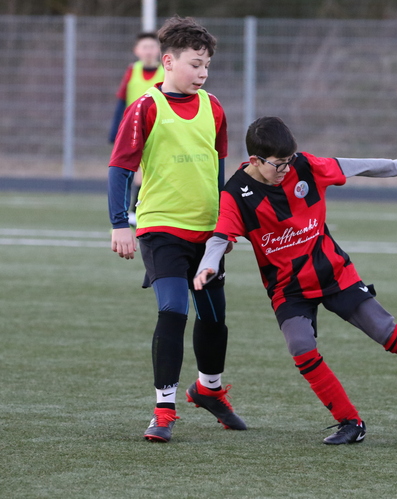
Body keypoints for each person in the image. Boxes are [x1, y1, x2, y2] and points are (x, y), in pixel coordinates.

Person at [193, 116, 397, 445]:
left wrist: (396, 166)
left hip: (332, 272)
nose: (286, 169)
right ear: (254, 161)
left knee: (383, 329)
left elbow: (353, 166)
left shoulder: (304, 166)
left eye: (290, 161)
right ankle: (351, 422)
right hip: (288, 288)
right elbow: (221, 235)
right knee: (301, 346)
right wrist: (208, 265)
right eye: (279, 164)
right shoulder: (236, 192)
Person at [108, 16, 245, 443]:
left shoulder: (214, 107)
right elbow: (119, 168)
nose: (202, 73)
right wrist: (119, 224)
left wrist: (225, 227)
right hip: (161, 229)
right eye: (195, 64)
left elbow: (217, 171)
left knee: (214, 318)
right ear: (169, 61)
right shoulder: (146, 107)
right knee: (173, 310)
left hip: (207, 234)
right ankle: (163, 408)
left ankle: (209, 389)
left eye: (207, 66)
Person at [109, 32, 165, 226]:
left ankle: (139, 212)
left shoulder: (166, 72)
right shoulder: (132, 70)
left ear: (159, 50)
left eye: (152, 46)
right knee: (128, 171)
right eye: (145, 47)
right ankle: (127, 214)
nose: (149, 51)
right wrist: (115, 130)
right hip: (132, 130)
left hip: (159, 130)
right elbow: (122, 99)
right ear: (136, 50)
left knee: (150, 173)